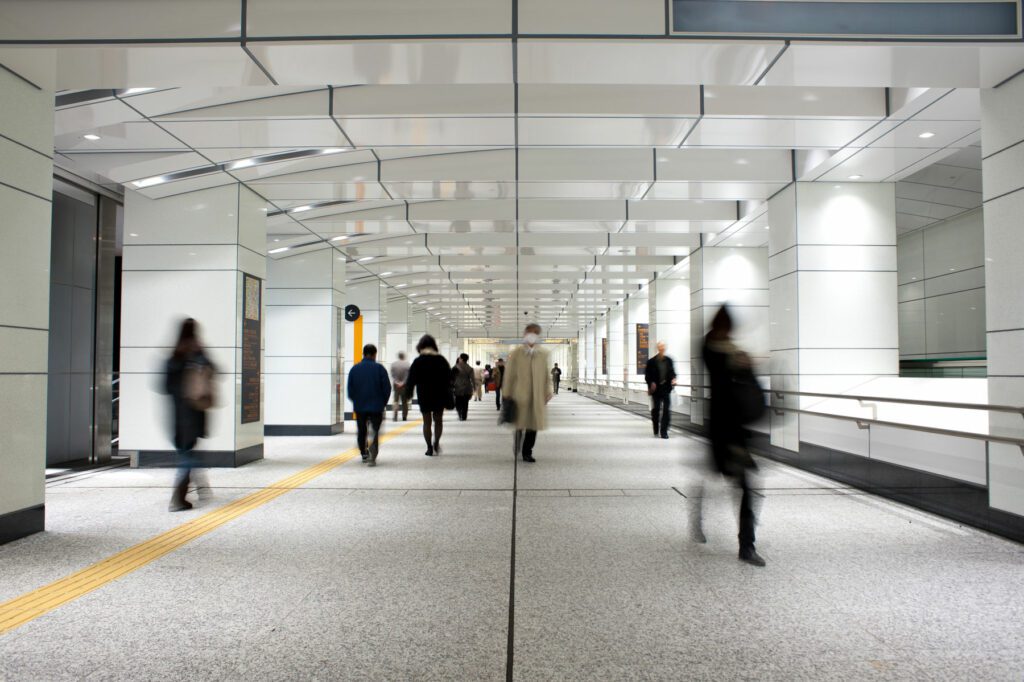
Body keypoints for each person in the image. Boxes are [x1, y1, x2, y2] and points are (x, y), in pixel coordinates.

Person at [698, 305, 765, 567]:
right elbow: (719, 372)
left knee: (745, 487)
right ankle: (698, 519)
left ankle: (746, 545)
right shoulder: (709, 350)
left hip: (736, 432)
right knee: (717, 477)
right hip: (720, 430)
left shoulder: (732, 352)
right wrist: (738, 362)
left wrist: (745, 364)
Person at [164, 318, 215, 512]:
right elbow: (216, 371)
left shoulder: (174, 357)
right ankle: (178, 498)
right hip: (194, 413)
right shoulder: (197, 354)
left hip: (177, 415)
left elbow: (165, 387)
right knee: (189, 456)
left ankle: (200, 489)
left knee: (187, 452)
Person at [502, 323, 553, 463]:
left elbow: (546, 376)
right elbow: (509, 375)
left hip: (536, 396)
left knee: (533, 425)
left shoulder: (543, 354)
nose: (532, 334)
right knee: (520, 423)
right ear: (525, 334)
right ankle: (517, 441)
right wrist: (506, 392)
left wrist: (548, 391)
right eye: (530, 332)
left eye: (535, 332)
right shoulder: (516, 353)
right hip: (519, 395)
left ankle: (527, 452)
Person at [404, 335, 452, 456]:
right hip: (439, 394)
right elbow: (449, 378)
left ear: (420, 347)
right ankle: (436, 442)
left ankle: (429, 447)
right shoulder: (441, 360)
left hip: (424, 394)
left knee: (427, 422)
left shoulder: (418, 361)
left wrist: (408, 393)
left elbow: (411, 380)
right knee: (438, 420)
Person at [347, 344, 391, 467]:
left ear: (363, 354)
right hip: (377, 406)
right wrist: (383, 402)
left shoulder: (354, 369)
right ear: (374, 354)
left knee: (362, 430)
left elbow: (350, 389)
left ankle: (363, 452)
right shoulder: (380, 369)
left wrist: (356, 400)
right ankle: (373, 454)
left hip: (360, 406)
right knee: (375, 431)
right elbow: (387, 388)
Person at [644, 341, 677, 439]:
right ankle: (655, 427)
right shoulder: (651, 362)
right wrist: (651, 383)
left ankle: (664, 432)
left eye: (663, 346)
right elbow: (647, 376)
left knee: (667, 410)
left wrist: (674, 379)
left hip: (666, 388)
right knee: (656, 409)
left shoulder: (669, 360)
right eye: (660, 346)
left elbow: (672, 372)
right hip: (656, 390)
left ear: (665, 348)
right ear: (658, 348)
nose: (662, 348)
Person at [452, 353, 475, 421]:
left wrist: (451, 386)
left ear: (461, 359)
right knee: (465, 403)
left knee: (458, 402)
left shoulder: (455, 367)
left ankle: (460, 413)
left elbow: (452, 377)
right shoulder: (470, 368)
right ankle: (464, 416)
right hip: (467, 388)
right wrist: (474, 388)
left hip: (457, 387)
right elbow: (472, 379)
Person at [390, 351, 411, 422]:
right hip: (405, 386)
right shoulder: (407, 365)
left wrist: (397, 382)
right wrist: (403, 383)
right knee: (405, 402)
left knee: (396, 401)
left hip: (396, 386)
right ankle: (404, 416)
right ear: (403, 356)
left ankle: (395, 416)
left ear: (398, 356)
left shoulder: (393, 364)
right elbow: (408, 376)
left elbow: (392, 375)